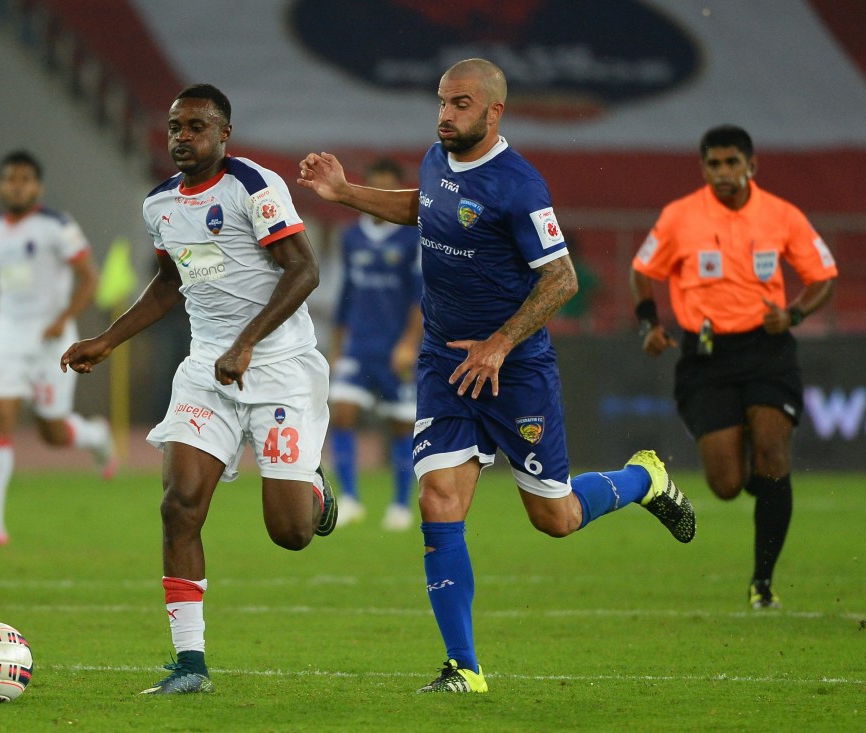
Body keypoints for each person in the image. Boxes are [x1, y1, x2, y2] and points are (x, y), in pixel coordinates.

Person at [298, 58, 696, 694]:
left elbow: (561, 278)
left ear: (494, 111)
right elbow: (422, 207)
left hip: (514, 371)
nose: (444, 115)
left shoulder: (519, 186)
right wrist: (346, 193)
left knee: (555, 518)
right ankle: (465, 667)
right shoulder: (436, 159)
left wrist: (501, 344)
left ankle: (643, 479)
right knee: (439, 500)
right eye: (441, 102)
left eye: (459, 104)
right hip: (443, 362)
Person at [60, 84, 336, 695]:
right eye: (175, 127)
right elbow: (169, 283)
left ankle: (313, 488)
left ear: (224, 133)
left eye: (196, 126)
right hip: (206, 371)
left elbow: (304, 269)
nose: (182, 137)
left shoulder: (253, 186)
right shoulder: (159, 203)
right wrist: (108, 339)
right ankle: (190, 665)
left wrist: (247, 343)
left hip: (280, 367)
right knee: (179, 505)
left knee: (290, 533)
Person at [630, 124, 838, 610]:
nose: (723, 172)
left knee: (773, 453)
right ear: (703, 169)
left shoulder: (782, 215)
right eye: (714, 164)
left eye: (731, 162)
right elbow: (642, 271)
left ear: (751, 165)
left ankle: (762, 582)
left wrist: (794, 315)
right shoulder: (680, 216)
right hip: (706, 355)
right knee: (725, 485)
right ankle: (747, 449)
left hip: (767, 350)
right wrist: (649, 325)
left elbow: (823, 276)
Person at [0, 150, 117, 545]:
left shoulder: (57, 226)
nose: (17, 186)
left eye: (25, 180)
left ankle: (96, 436)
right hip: (6, 337)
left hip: (50, 341)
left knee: (53, 433)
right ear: (0, 186)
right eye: (10, 179)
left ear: (37, 187)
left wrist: (64, 318)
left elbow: (90, 278)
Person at [329, 158, 423, 531]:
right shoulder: (351, 236)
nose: (381, 194)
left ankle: (400, 505)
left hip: (395, 348)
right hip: (358, 345)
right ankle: (350, 499)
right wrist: (337, 346)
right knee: (342, 411)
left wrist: (409, 343)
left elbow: (420, 296)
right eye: (375, 186)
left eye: (388, 187)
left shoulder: (412, 237)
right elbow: (346, 292)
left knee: (401, 426)